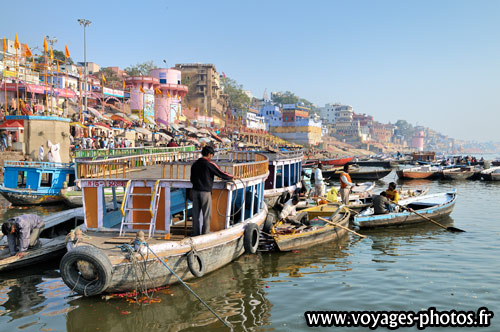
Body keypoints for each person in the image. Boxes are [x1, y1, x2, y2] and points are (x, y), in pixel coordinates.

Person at [190, 145, 234, 236]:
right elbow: (221, 173)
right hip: (205, 192)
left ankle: (195, 233)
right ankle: (205, 234)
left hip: (195, 191)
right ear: (210, 154)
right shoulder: (209, 164)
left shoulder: (194, 164)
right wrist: (232, 177)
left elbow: (192, 179)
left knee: (195, 215)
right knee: (206, 215)